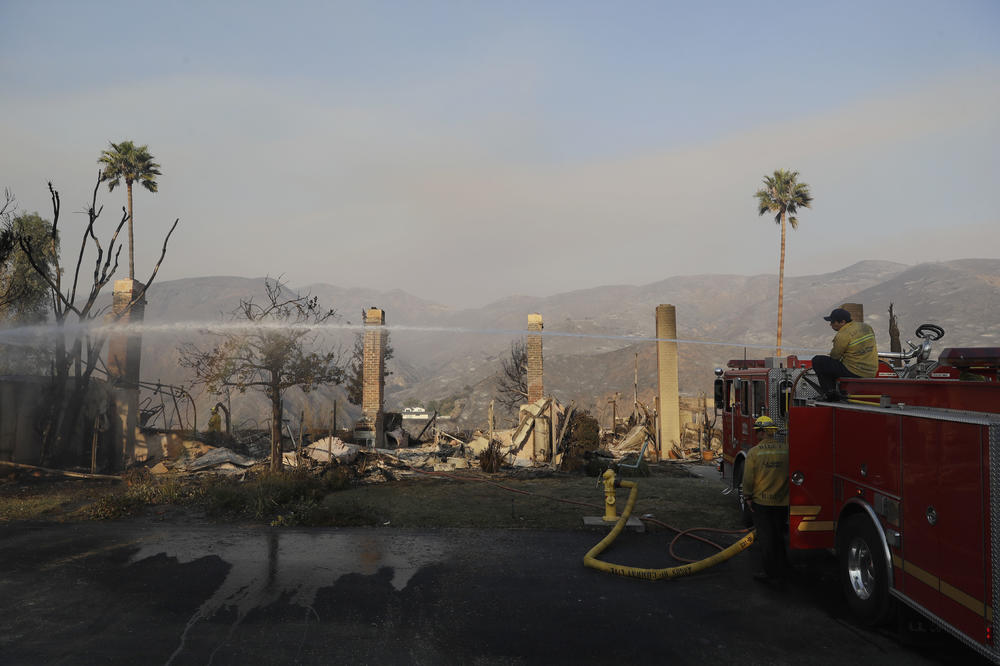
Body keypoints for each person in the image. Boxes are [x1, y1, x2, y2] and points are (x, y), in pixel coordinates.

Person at [743, 415, 789, 583]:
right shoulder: (786, 450)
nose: (756, 435)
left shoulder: (754, 453)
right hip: (782, 502)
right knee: (779, 536)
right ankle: (784, 569)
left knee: (766, 539)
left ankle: (770, 574)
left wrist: (747, 497)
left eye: (757, 432)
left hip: (762, 503)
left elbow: (748, 479)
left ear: (762, 432)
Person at [811, 308, 877, 400]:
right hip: (871, 371)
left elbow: (835, 357)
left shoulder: (842, 335)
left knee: (818, 361)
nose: (831, 324)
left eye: (833, 322)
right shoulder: (866, 327)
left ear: (842, 322)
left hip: (855, 372)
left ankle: (830, 394)